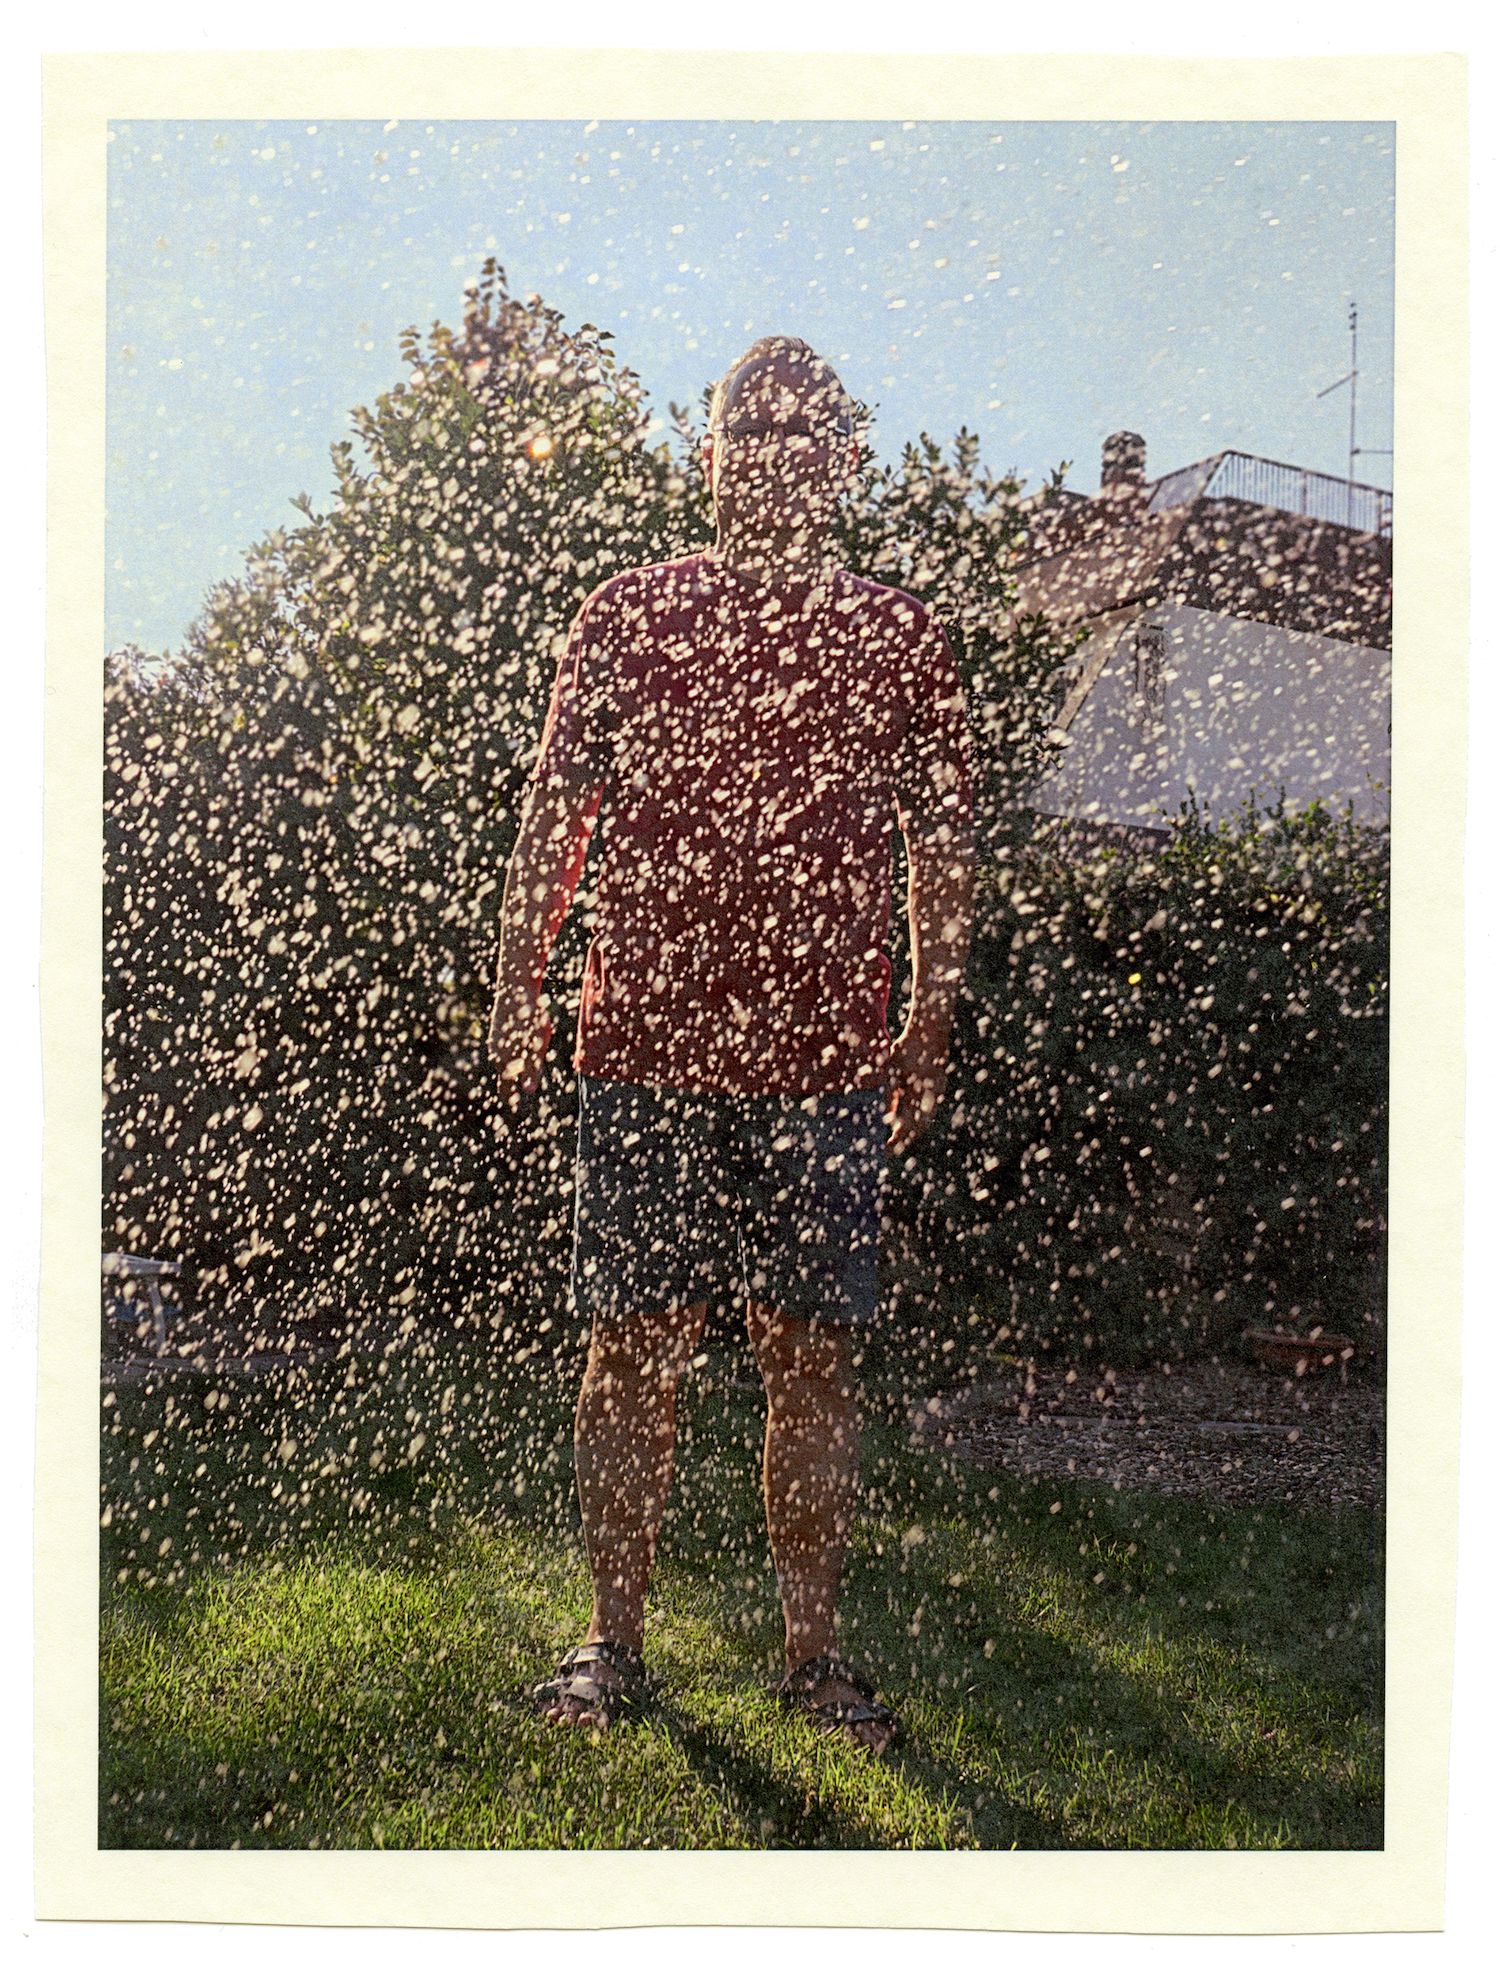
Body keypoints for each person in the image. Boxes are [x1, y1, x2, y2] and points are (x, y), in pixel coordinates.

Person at [487, 335, 975, 1755]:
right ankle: (610, 1643)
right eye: (749, 428)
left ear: (845, 459)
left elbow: (942, 845)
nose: (775, 450)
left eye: (805, 429)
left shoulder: (902, 633)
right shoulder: (626, 613)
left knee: (809, 1361)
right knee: (630, 1352)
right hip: (642, 1043)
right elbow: (555, 809)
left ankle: (813, 1659)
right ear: (706, 456)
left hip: (826, 1061)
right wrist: (520, 978)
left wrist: (929, 1014)